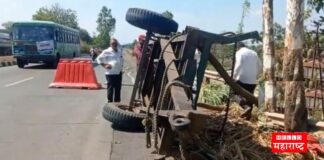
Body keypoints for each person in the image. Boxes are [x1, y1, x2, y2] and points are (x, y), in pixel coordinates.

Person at [233, 42, 262, 120]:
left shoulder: (239, 53)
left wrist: (233, 77)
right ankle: (248, 118)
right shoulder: (254, 53)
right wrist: (255, 75)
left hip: (242, 79)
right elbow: (260, 65)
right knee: (249, 97)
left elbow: (238, 65)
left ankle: (245, 107)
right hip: (252, 80)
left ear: (237, 48)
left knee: (233, 93)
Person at [96, 38, 124, 102]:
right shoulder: (107, 51)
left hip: (118, 73)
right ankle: (110, 103)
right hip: (110, 74)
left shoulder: (119, 51)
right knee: (110, 89)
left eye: (116, 43)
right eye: (113, 43)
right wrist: (104, 65)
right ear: (110, 44)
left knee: (118, 89)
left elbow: (121, 60)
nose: (115, 44)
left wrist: (121, 68)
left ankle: (117, 104)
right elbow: (98, 59)